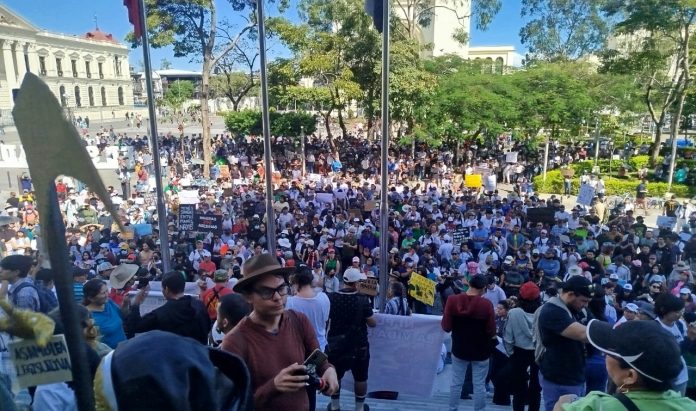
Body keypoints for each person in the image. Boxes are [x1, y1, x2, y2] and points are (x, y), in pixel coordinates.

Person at [221, 254, 339, 411]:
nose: (277, 297)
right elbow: (232, 404)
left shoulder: (299, 321)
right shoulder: (235, 342)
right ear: (248, 296)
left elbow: (318, 359)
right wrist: (273, 387)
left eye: (281, 289)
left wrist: (328, 370)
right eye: (266, 292)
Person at [555, 319, 696, 411]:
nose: (604, 354)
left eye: (611, 353)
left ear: (630, 376)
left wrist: (567, 400)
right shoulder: (688, 406)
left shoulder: (597, 405)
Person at [536, 276, 592, 411]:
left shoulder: (579, 310)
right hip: (558, 377)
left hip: (575, 375)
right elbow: (584, 334)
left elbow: (594, 324)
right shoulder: (552, 310)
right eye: (583, 301)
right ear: (571, 294)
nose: (585, 305)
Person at [442, 274, 496, 411]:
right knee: (479, 384)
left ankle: (452, 408)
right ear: (483, 288)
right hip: (481, 350)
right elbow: (491, 330)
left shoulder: (452, 300)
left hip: (459, 348)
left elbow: (446, 327)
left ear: (469, 284)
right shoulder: (487, 305)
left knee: (456, 382)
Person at [326, 267, 376, 411]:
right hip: (358, 344)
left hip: (336, 344)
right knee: (360, 377)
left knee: (335, 374)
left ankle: (335, 406)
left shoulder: (332, 298)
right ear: (356, 284)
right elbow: (372, 323)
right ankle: (359, 408)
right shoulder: (363, 300)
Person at [286, 267, 331, 411]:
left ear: (295, 283)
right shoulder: (324, 298)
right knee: (311, 385)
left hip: (298, 349)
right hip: (320, 349)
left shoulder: (290, 302)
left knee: (300, 386)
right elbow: (325, 320)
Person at [126, 271, 211, 344]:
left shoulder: (159, 315)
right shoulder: (199, 306)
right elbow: (207, 328)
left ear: (166, 289)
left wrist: (135, 304)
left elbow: (135, 327)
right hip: (200, 356)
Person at [504, 282, 542, 411]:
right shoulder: (542, 312)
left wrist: (511, 354)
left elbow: (508, 337)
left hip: (519, 353)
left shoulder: (514, 313)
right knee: (536, 388)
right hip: (538, 353)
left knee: (519, 389)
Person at [83, 278, 127, 349]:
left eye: (107, 291)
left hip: (124, 348)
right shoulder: (87, 315)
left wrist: (125, 304)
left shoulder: (109, 302)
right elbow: (90, 342)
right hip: (109, 355)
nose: (107, 295)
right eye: (103, 293)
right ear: (91, 298)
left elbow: (122, 315)